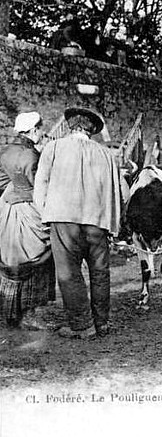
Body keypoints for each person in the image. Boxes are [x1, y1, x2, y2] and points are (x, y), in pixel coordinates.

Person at [34, 107, 125, 339]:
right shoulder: (107, 155)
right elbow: (117, 192)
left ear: (70, 126)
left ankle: (82, 325)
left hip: (64, 218)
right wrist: (114, 224)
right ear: (92, 130)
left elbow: (41, 186)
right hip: (98, 221)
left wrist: (44, 216)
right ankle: (102, 322)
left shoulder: (52, 148)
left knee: (69, 272)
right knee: (100, 272)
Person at [0, 112, 56, 330]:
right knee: (39, 258)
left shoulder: (5, 151)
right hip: (29, 208)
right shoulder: (32, 155)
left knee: (11, 258)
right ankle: (31, 313)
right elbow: (39, 186)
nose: (42, 134)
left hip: (7, 207)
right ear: (33, 130)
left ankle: (10, 312)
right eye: (41, 130)